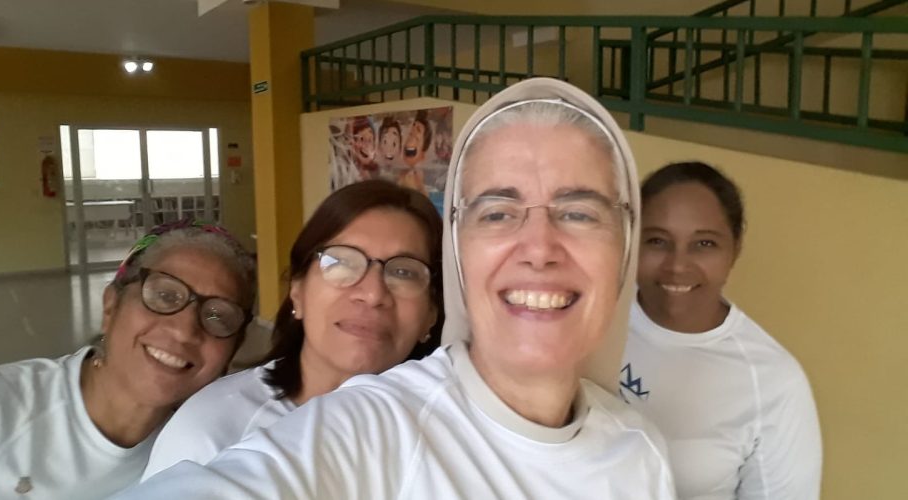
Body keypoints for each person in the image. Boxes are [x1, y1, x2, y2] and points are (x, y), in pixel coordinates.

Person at [117, 78, 675, 499]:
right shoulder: (369, 430)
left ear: (624, 251)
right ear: (460, 259)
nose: (539, 246)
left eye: (579, 213)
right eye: (497, 213)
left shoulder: (641, 451)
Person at [0, 219, 256, 499]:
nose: (184, 330)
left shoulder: (210, 451)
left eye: (218, 316)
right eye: (164, 295)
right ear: (111, 306)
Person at [140, 180, 443, 480]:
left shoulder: (449, 436)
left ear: (431, 314)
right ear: (297, 292)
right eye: (342, 262)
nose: (373, 294)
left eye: (404, 272)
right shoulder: (211, 431)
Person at [619, 162, 821, 499]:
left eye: (704, 244)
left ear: (735, 249)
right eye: (657, 241)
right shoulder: (592, 322)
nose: (677, 265)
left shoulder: (772, 380)